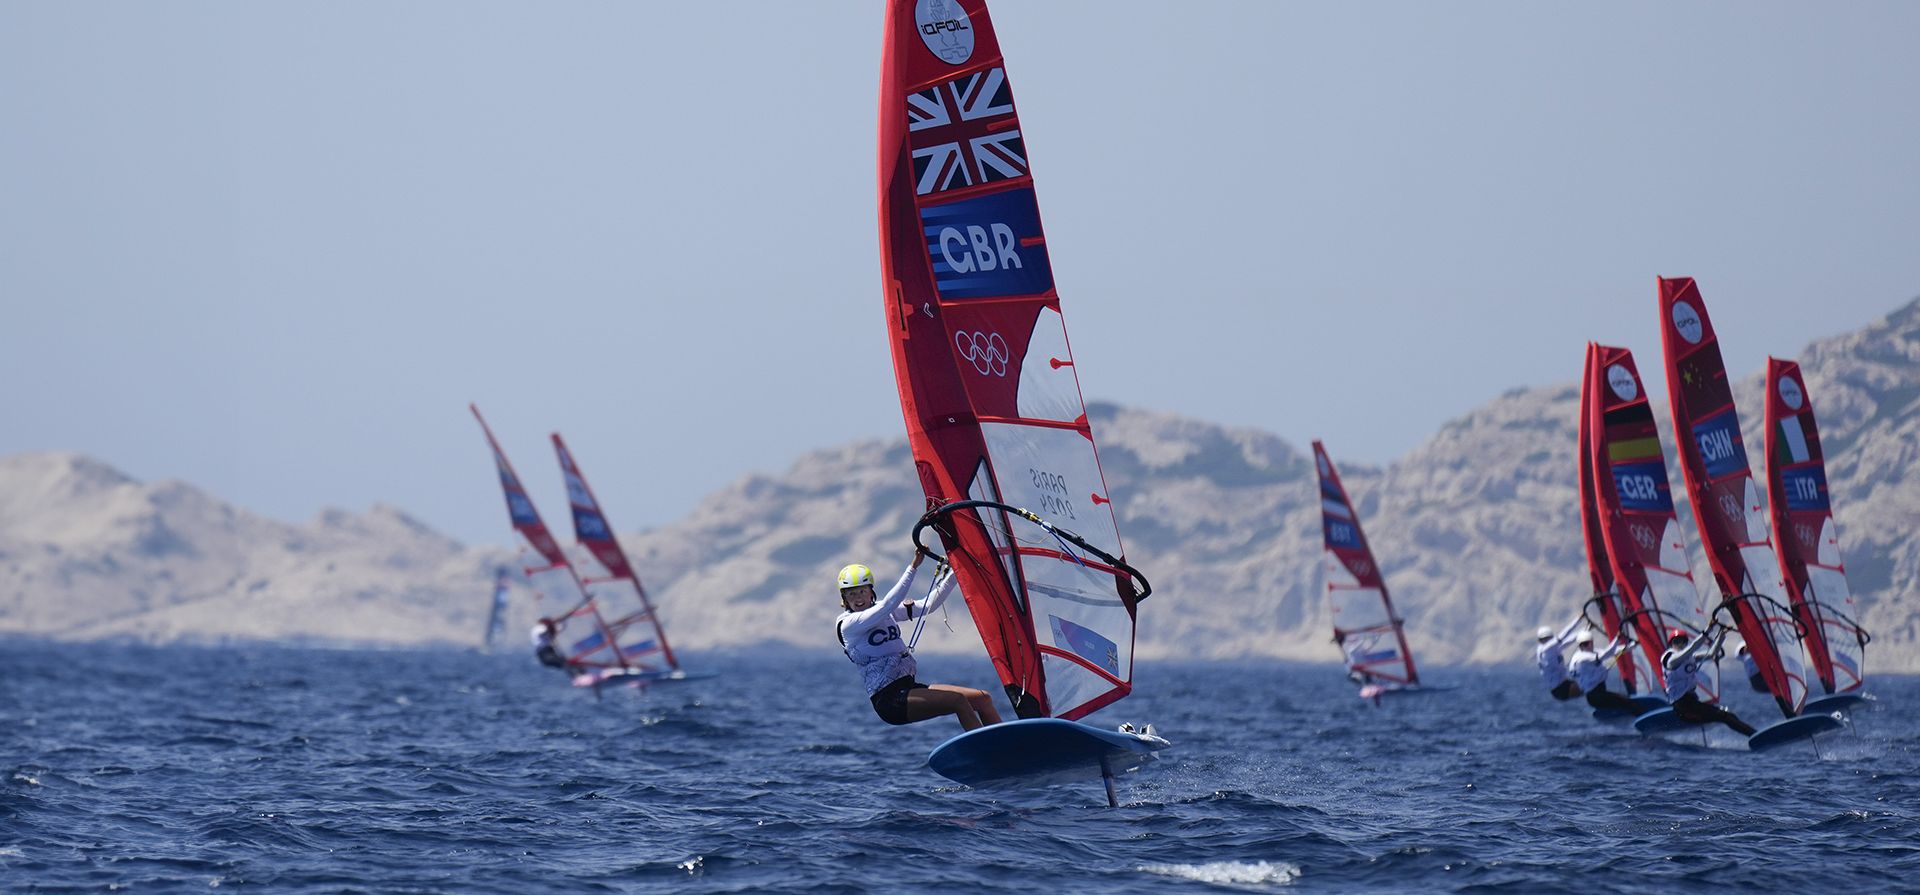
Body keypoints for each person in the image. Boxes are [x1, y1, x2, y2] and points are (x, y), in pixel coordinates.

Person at [835, 550, 1003, 731]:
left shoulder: (884, 611)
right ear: (844, 598)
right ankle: (986, 751)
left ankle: (1010, 747)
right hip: (889, 700)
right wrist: (913, 566)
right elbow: (888, 605)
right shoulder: (848, 624)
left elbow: (928, 605)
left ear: (870, 592)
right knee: (958, 701)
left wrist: (957, 570)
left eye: (862, 591)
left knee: (982, 698)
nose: (858, 598)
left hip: (909, 687)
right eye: (851, 594)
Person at [1664, 628, 1758, 736]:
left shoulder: (1690, 657)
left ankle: (1755, 735)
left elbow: (1712, 653)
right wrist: (1708, 629)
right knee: (1725, 716)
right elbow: (1692, 648)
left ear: (1686, 642)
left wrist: (1722, 635)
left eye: (1683, 641)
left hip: (1691, 704)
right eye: (1676, 642)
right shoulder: (1669, 660)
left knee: (1727, 715)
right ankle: (1755, 735)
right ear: (1671, 644)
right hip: (1683, 706)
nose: (1680, 644)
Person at [1567, 628, 1643, 714]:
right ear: (1580, 646)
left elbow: (1612, 651)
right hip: (1595, 696)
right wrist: (1618, 639)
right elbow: (1605, 654)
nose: (1586, 646)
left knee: (1623, 700)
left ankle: (1629, 710)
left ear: (1592, 642)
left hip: (1601, 692)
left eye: (1587, 643)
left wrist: (1633, 645)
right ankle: (1641, 713)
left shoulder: (1593, 652)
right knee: (1629, 703)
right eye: (1583, 644)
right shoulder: (1581, 657)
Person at [1535, 616, 1585, 701]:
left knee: (1590, 682)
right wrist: (1579, 619)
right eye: (1546, 639)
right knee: (1590, 686)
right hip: (1561, 689)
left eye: (1550, 639)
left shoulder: (1549, 649)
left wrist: (1585, 630)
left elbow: (1568, 641)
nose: (1549, 641)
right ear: (1541, 640)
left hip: (1564, 685)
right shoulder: (1546, 649)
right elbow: (1563, 636)